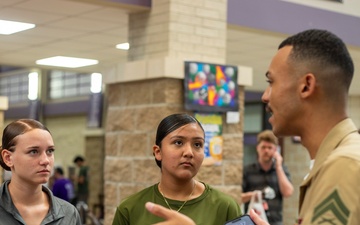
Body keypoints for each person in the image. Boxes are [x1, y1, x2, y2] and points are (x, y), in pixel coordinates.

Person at [144, 29, 360, 225]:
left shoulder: (344, 167)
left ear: (306, 86)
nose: (265, 96)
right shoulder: (336, 162)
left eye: (271, 82)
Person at [112, 113, 241, 225]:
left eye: (197, 144)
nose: (189, 152)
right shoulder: (130, 208)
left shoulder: (225, 206)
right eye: (178, 142)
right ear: (158, 152)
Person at [0, 119, 81, 224]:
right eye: (33, 151)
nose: (45, 160)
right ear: (8, 158)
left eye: (50, 151)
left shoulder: (69, 214)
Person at [241, 130, 293, 225]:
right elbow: (239, 197)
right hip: (252, 221)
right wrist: (255, 195)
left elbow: (288, 192)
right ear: (257, 148)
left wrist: (278, 167)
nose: (266, 151)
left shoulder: (281, 169)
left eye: (270, 148)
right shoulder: (248, 170)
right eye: (263, 147)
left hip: (275, 222)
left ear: (275, 150)